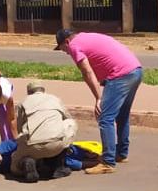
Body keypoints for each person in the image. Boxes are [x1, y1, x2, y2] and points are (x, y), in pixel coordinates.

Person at [55, 29, 143, 174]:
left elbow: (87, 72)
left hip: (120, 75)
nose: (65, 52)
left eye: (63, 49)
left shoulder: (74, 46)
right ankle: (121, 153)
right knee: (122, 115)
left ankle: (108, 162)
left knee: (105, 118)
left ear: (67, 42)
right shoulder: (86, 37)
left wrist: (98, 98)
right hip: (135, 70)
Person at [11, 81, 77, 182]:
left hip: (32, 146)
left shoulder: (22, 103)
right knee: (71, 123)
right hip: (56, 144)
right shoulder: (55, 99)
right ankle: (58, 166)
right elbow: (67, 117)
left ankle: (25, 162)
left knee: (14, 166)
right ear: (43, 90)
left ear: (29, 92)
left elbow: (20, 128)